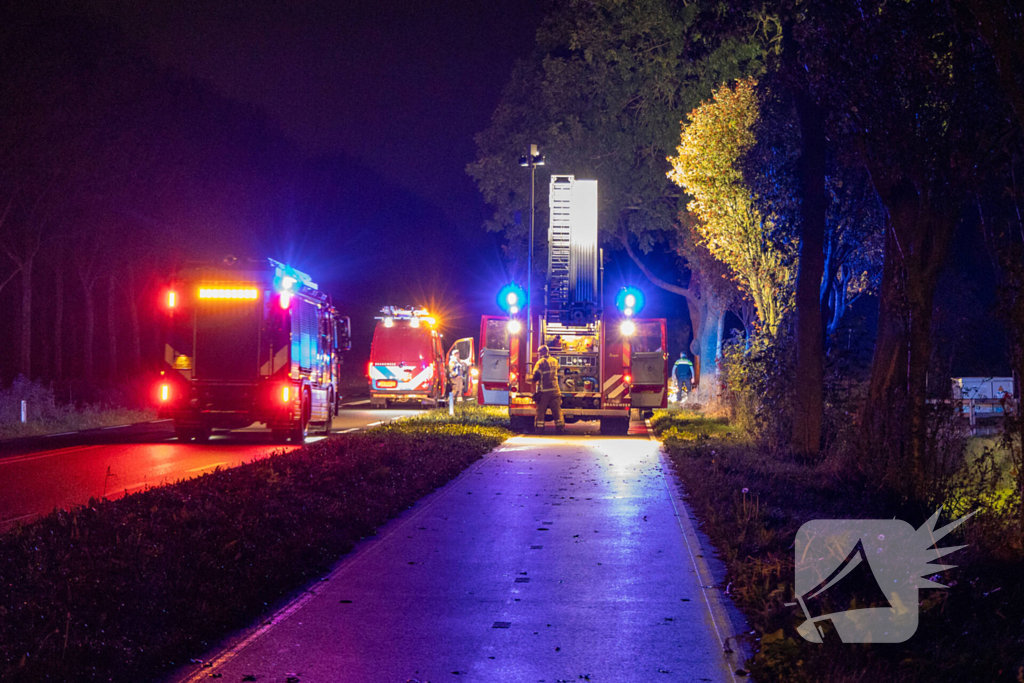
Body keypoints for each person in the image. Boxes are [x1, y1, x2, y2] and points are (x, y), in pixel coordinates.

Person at [531, 345, 564, 434]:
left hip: (544, 392)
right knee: (557, 410)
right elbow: (558, 370)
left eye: (539, 352)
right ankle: (560, 428)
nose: (538, 353)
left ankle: (539, 429)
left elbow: (536, 376)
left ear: (542, 352)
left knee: (540, 411)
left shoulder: (540, 363)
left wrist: (531, 379)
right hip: (555, 391)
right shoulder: (555, 361)